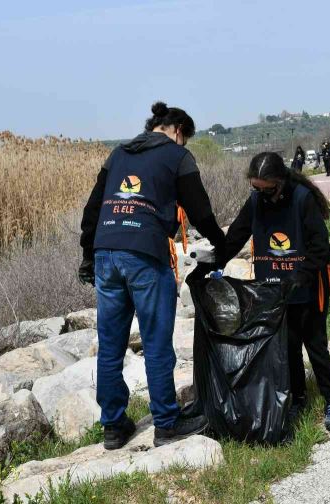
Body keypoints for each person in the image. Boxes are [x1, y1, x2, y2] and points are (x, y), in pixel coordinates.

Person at [79, 102, 227, 449]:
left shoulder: (118, 154)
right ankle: (166, 423)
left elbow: (92, 209)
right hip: (145, 254)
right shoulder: (177, 157)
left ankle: (113, 427)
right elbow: (201, 212)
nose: (184, 145)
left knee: (111, 346)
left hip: (106, 253)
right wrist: (223, 245)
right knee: (157, 343)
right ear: (177, 130)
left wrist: (89, 256)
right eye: (185, 139)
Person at [216, 152, 330, 431]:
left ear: (282, 182)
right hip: (274, 290)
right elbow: (236, 236)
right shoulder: (255, 202)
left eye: (269, 189)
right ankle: (297, 398)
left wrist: (302, 275)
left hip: (307, 286)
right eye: (257, 189)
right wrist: (214, 263)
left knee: (315, 345)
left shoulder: (302, 199)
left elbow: (321, 247)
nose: (263, 195)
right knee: (287, 349)